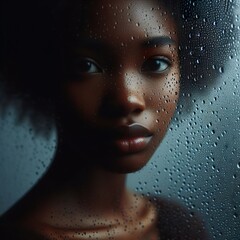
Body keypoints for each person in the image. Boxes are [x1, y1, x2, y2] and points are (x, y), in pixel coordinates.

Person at [0, 0, 235, 239]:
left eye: (156, 63)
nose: (128, 99)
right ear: (41, 71)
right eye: (86, 66)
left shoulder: (178, 225)